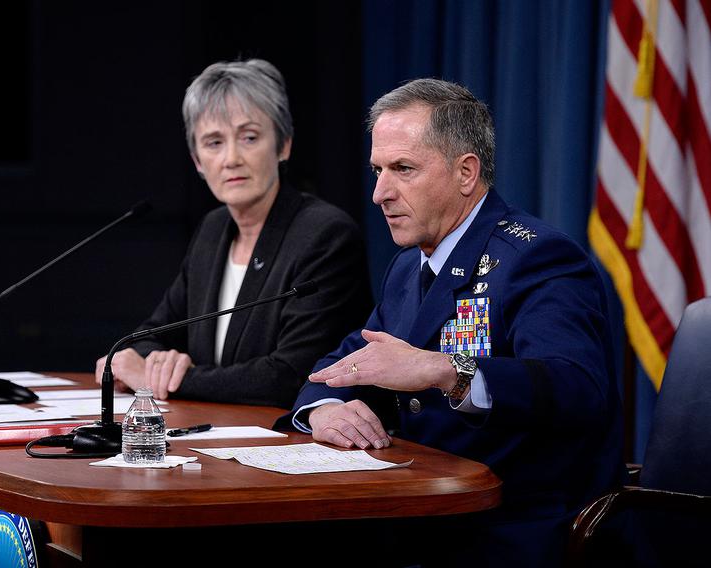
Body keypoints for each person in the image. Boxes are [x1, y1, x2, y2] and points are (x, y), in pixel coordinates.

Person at [279, 78, 624, 566]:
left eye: (403, 169)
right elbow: (351, 359)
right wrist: (323, 409)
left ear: (466, 173)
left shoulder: (538, 257)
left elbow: (578, 386)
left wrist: (447, 369)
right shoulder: (410, 264)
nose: (379, 193)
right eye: (377, 169)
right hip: (421, 512)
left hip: (510, 526)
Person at [96, 59, 372, 408]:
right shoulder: (213, 231)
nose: (231, 158)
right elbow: (147, 339)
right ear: (197, 160)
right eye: (213, 142)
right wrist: (150, 363)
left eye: (249, 137)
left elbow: (291, 376)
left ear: (283, 145)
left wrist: (173, 379)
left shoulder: (324, 236)